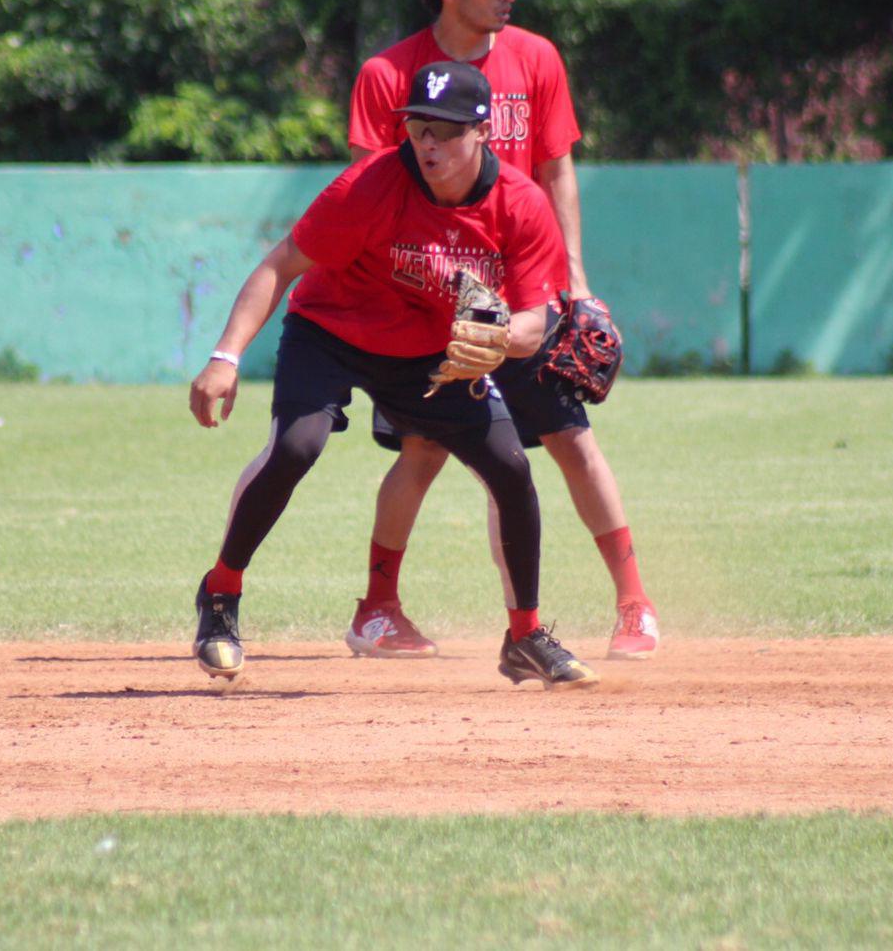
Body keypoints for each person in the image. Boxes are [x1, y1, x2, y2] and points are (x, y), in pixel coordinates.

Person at [187, 60, 598, 691]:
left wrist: (497, 343)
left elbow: (534, 325)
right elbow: (281, 265)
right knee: (296, 446)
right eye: (418, 129)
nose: (428, 144)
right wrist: (226, 355)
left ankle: (525, 636)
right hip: (331, 333)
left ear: (482, 131)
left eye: (446, 130)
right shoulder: (371, 185)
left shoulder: (520, 205)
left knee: (512, 470)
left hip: (428, 356)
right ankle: (220, 595)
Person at [342, 0, 659, 661]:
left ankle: (636, 604)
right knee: (422, 448)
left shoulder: (537, 59)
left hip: (523, 286)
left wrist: (575, 282)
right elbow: (368, 193)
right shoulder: (390, 75)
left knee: (571, 441)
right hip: (429, 299)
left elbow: (556, 171)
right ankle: (377, 609)